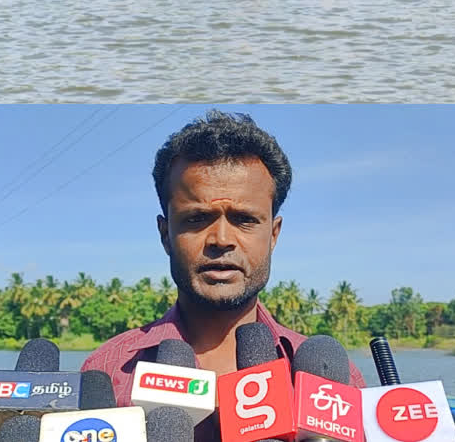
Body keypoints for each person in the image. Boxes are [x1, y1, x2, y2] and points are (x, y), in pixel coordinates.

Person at [81, 111, 366, 442]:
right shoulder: (107, 369)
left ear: (273, 235)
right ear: (165, 235)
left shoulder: (333, 383)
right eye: (197, 218)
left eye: (244, 219)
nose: (221, 239)